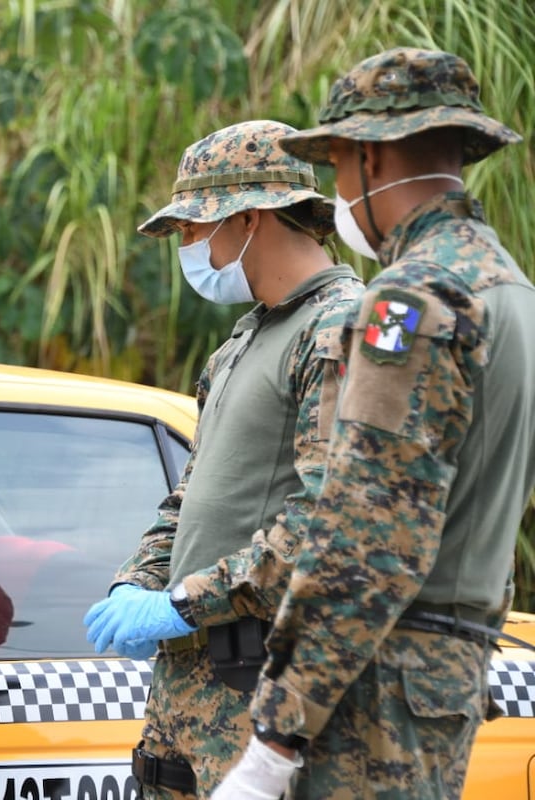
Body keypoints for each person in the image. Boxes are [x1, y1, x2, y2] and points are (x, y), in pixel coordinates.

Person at [212, 48, 535, 800]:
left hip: (378, 685)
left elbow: (368, 532)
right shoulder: (509, 288)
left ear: (369, 157)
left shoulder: (413, 298)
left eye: (335, 164)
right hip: (445, 673)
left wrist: (274, 738)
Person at [83, 119, 364, 798]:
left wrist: (184, 602)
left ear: (250, 219)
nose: (185, 247)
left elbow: (325, 525)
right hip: (188, 688)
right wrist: (139, 581)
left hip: (264, 689)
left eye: (191, 229)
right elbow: (189, 498)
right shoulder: (241, 341)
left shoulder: (338, 328)